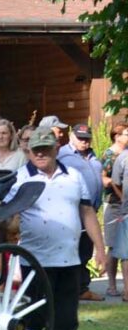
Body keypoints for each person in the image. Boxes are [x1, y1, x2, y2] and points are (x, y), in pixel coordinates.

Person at [4, 129, 104, 330]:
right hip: (36, 262)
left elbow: (87, 212)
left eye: (45, 148)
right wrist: (12, 224)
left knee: (66, 321)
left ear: (56, 149)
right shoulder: (21, 178)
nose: (40, 153)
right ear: (28, 151)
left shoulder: (74, 177)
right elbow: (8, 220)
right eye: (35, 149)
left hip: (69, 260)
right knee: (34, 320)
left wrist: (101, 250)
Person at [58, 124, 104, 302]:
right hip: (72, 212)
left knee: (85, 251)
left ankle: (83, 288)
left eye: (87, 138)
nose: (84, 142)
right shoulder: (62, 155)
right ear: (71, 136)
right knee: (72, 251)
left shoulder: (92, 156)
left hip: (91, 212)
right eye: (80, 138)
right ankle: (70, 289)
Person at [100, 123, 128, 296]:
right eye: (125, 133)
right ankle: (111, 285)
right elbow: (105, 179)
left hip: (124, 204)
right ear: (117, 136)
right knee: (113, 245)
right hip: (114, 204)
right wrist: (121, 193)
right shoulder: (110, 155)